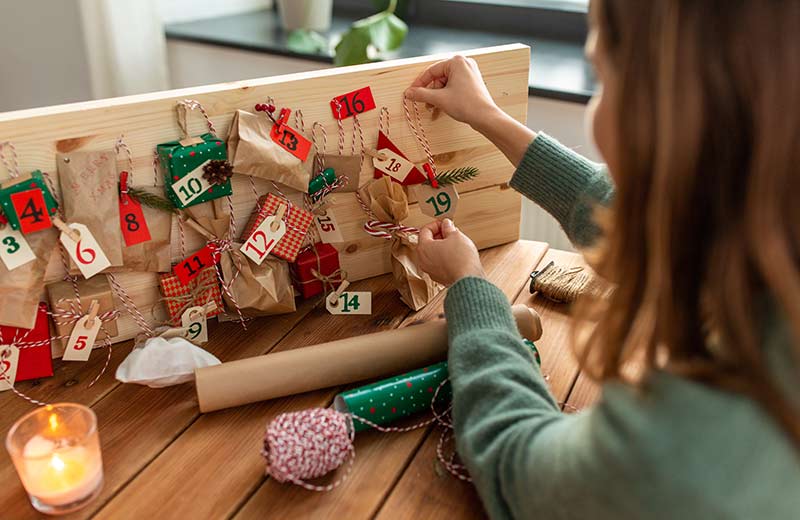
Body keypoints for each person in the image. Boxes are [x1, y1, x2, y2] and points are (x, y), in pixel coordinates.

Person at [407, 1, 800, 518]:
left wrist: (470, 286)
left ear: (671, 111)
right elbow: (653, 230)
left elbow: (519, 464)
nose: (597, 117)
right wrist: (487, 116)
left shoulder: (683, 442)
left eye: (603, 78)